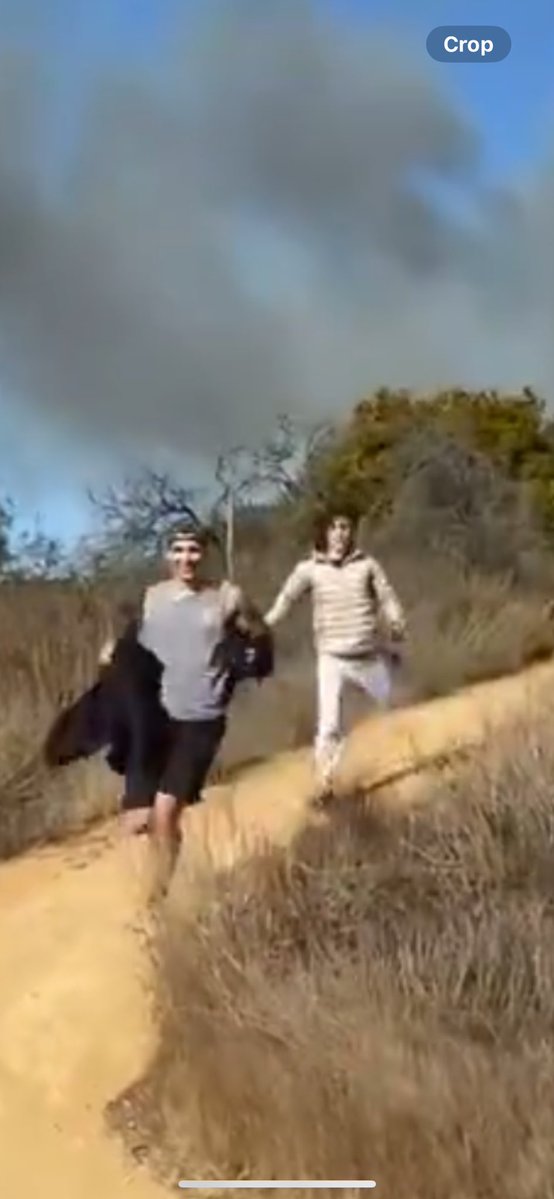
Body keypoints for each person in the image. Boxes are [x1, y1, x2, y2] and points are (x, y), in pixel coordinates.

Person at [103, 522, 267, 902]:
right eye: (178, 550)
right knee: (139, 820)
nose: (186, 558)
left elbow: (259, 633)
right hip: (156, 719)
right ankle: (165, 866)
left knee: (165, 811)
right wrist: (112, 660)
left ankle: (158, 896)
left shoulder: (226, 596)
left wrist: (246, 662)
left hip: (202, 718)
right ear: (167, 556)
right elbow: (125, 643)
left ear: (204, 554)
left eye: (193, 550)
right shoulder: (151, 599)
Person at [264, 509, 406, 797]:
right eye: (334, 528)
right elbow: (286, 599)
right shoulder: (309, 569)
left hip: (367, 656)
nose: (340, 533)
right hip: (332, 658)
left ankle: (371, 754)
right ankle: (324, 783)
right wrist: (265, 626)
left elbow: (387, 595)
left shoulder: (367, 565)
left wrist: (396, 620)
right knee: (329, 724)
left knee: (394, 703)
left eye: (345, 527)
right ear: (324, 533)